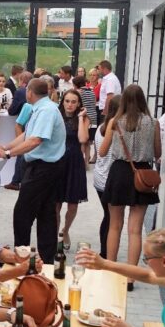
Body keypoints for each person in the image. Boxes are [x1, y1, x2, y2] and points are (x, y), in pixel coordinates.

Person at [100, 84, 161, 290]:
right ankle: (131, 278)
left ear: (124, 100)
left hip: (119, 172)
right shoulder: (153, 123)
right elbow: (158, 153)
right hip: (142, 175)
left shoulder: (115, 122)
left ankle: (110, 270)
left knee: (114, 225)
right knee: (135, 230)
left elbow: (102, 151)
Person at [2, 78, 65, 264]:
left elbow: (35, 140)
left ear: (30, 92)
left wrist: (8, 154)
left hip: (43, 167)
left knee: (23, 213)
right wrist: (6, 148)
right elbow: (26, 135)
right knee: (46, 213)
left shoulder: (46, 110)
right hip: (43, 167)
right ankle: (46, 260)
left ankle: (22, 258)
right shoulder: (41, 108)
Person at [56, 89, 90, 248]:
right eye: (67, 101)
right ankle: (54, 236)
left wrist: (81, 117)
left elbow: (83, 139)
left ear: (79, 104)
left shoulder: (83, 118)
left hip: (75, 162)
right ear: (63, 102)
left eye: (73, 102)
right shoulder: (56, 116)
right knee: (55, 204)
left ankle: (66, 230)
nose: (70, 104)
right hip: (57, 161)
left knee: (73, 204)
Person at [93, 96, 121, 258]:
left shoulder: (100, 128)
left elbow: (98, 152)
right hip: (110, 178)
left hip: (99, 176)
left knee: (108, 216)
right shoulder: (116, 129)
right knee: (112, 219)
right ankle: (106, 253)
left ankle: (105, 251)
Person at [75, 75, 99, 163]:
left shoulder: (79, 92)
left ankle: (80, 162)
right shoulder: (92, 92)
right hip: (93, 118)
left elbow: (78, 105)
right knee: (88, 142)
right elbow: (94, 104)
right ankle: (86, 163)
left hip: (84, 118)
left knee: (82, 142)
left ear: (76, 84)